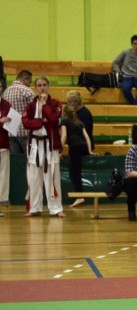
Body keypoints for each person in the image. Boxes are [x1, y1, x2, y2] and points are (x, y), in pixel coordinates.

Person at [22, 76, 64, 217]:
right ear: (35, 87)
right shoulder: (30, 105)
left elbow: (53, 119)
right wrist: (41, 121)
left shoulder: (56, 103)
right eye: (39, 85)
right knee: (34, 178)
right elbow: (26, 123)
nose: (42, 88)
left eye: (45, 84)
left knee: (52, 178)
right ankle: (35, 208)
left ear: (49, 86)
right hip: (34, 145)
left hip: (50, 145)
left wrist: (45, 105)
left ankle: (56, 208)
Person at [60, 105, 94, 208]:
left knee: (75, 172)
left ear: (64, 114)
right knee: (77, 170)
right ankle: (80, 196)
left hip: (74, 147)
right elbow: (87, 137)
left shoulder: (64, 122)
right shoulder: (79, 123)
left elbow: (64, 136)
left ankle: (80, 196)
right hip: (83, 146)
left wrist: (59, 151)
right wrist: (89, 151)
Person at [3, 70, 33, 155]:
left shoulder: (6, 91)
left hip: (10, 130)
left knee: (16, 162)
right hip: (25, 130)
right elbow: (34, 110)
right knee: (29, 159)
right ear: (25, 79)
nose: (29, 84)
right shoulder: (27, 91)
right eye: (29, 81)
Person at [112, 34, 137, 105]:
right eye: (135, 43)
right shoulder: (125, 53)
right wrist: (118, 72)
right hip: (126, 77)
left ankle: (134, 104)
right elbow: (115, 62)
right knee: (125, 88)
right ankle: (134, 104)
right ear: (132, 44)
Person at [0, 80, 12, 210]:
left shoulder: (7, 105)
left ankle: (1, 202)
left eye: (0, 86)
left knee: (3, 175)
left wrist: (11, 123)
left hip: (3, 143)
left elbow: (11, 123)